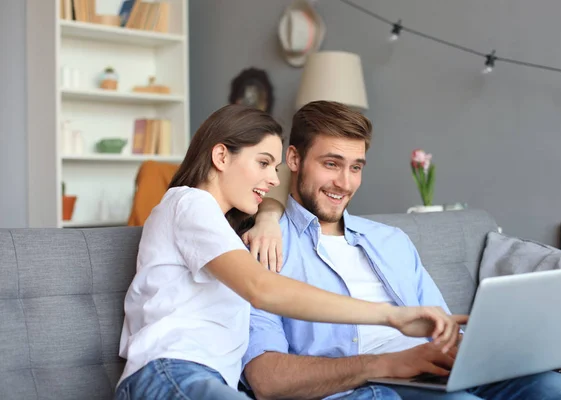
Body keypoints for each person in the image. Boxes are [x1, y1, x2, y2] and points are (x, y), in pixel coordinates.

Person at [242, 100, 561, 400]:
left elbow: (442, 330)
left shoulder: (390, 240)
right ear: (293, 158)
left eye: (356, 167)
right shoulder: (262, 246)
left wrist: (483, 348)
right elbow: (266, 378)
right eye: (331, 164)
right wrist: (383, 364)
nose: (345, 183)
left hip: (434, 371)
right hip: (364, 386)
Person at [114, 104, 466, 400]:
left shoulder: (228, 231)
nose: (271, 179)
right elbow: (262, 289)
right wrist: (390, 316)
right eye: (263, 163)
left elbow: (274, 196)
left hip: (206, 378)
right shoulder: (189, 203)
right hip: (169, 370)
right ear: (220, 155)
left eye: (274, 167)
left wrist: (268, 213)